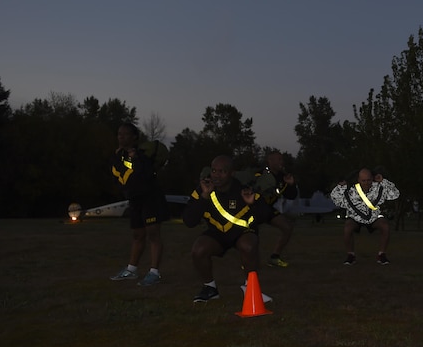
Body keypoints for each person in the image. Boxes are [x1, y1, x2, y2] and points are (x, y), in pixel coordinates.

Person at [183, 154, 277, 303]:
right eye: (214, 171)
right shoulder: (203, 188)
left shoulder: (244, 188)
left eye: (222, 171)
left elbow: (266, 215)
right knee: (198, 249)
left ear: (232, 173)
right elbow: (189, 221)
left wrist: (252, 203)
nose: (216, 176)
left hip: (242, 232)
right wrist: (204, 197)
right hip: (217, 232)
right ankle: (210, 288)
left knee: (248, 245)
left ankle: (251, 288)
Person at [108, 122, 169, 287]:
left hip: (150, 198)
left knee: (153, 234)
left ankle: (154, 273)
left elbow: (147, 175)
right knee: (137, 235)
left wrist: (137, 160)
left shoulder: (142, 155)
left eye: (125, 134)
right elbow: (118, 176)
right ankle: (131, 270)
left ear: (134, 137)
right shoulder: (118, 155)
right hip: (134, 200)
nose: (121, 136)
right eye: (119, 133)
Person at [330, 168, 400, 265]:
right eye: (363, 180)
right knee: (347, 228)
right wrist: (340, 187)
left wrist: (383, 181)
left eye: (368, 180)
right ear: (358, 180)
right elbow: (335, 199)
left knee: (385, 226)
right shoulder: (351, 191)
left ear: (372, 179)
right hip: (355, 218)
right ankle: (350, 255)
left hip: (373, 217)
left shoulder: (378, 188)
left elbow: (395, 194)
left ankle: (382, 255)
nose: (366, 183)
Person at [260, 151, 298, 268]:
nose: (281, 162)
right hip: (254, 207)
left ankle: (274, 257)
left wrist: (291, 184)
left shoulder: (283, 176)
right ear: (270, 161)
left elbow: (291, 196)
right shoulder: (261, 174)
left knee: (287, 227)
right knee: (248, 233)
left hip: (268, 208)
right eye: (278, 160)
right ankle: (247, 259)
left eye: (281, 159)